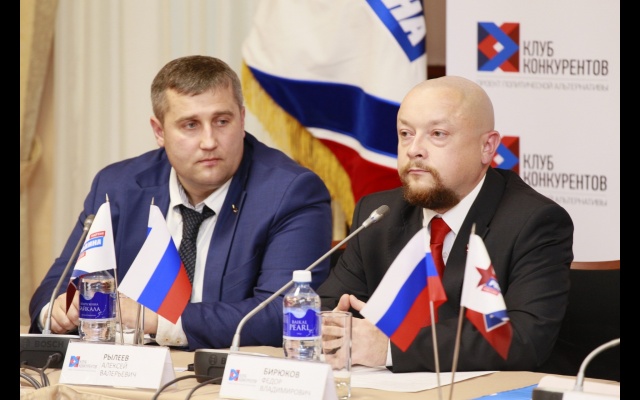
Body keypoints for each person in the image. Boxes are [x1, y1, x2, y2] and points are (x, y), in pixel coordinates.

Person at [29, 55, 333, 350]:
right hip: (125, 368)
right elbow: (58, 283)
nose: (209, 141)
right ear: (159, 131)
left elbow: (283, 313)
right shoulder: (118, 186)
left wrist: (157, 320)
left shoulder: (290, 193)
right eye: (190, 125)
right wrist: (56, 311)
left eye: (222, 121)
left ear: (242, 120)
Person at [317, 76, 574, 372]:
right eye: (405, 133)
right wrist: (336, 328)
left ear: (487, 147)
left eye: (437, 134)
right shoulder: (378, 214)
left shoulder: (533, 222)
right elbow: (328, 307)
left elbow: (523, 339)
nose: (414, 149)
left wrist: (389, 346)